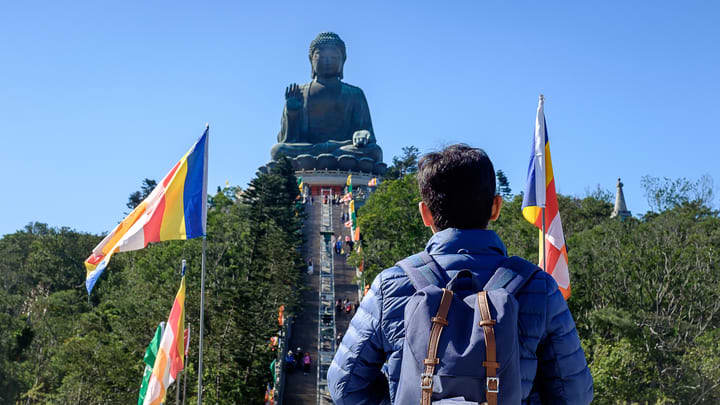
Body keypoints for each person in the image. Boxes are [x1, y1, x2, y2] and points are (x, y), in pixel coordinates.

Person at [327, 144, 593, 404]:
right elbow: (575, 395)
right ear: (496, 207)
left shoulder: (392, 285)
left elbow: (344, 386)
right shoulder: (538, 286)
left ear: (425, 213)